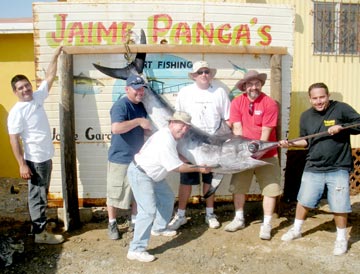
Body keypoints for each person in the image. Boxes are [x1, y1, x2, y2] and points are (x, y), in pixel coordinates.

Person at [279, 82, 360, 255]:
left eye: (322, 97)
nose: (318, 101)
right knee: (304, 200)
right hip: (313, 165)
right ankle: (297, 229)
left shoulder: (341, 109)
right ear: (310, 99)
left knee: (339, 204)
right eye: (314, 98)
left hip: (338, 166)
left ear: (328, 96)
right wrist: (290, 143)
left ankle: (340, 239)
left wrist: (342, 127)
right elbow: (305, 141)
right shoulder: (306, 116)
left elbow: (358, 124)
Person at [126, 111, 211, 262]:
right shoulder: (165, 139)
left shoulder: (169, 136)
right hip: (141, 174)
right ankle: (136, 249)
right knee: (147, 211)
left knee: (167, 197)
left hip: (153, 175)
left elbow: (175, 156)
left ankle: (158, 228)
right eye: (180, 125)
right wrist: (199, 168)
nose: (183, 129)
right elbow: (176, 167)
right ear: (171, 123)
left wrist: (192, 161)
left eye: (186, 127)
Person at [7, 46, 64, 244]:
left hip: (45, 157)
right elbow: (14, 139)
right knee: (37, 195)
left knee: (42, 193)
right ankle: (40, 234)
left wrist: (55, 55)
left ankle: (41, 227)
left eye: (27, 85)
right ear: (15, 92)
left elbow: (49, 77)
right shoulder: (17, 112)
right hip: (35, 160)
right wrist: (22, 164)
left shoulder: (37, 98)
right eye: (20, 88)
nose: (25, 90)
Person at [168, 61, 231, 230]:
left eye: (207, 71)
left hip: (213, 144)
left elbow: (228, 119)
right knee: (186, 180)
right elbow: (177, 118)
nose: (204, 74)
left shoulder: (220, 92)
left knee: (210, 180)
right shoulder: (185, 92)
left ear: (211, 74)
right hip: (190, 144)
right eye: (200, 72)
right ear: (194, 75)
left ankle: (210, 213)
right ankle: (180, 215)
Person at [225, 70, 282, 240]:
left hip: (266, 153)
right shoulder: (236, 102)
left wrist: (258, 152)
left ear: (261, 85)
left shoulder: (269, 103)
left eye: (257, 83)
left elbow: (266, 132)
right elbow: (237, 128)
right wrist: (243, 153)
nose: (253, 87)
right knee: (239, 187)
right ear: (244, 87)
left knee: (270, 189)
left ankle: (267, 224)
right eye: (249, 84)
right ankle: (239, 218)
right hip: (243, 154)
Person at [106, 74, 152, 240]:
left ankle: (134, 221)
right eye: (136, 89)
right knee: (114, 193)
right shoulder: (121, 105)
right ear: (127, 89)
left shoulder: (142, 106)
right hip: (119, 158)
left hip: (137, 158)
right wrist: (139, 121)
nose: (140, 92)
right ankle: (112, 223)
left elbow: (143, 128)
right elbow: (116, 128)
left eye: (142, 88)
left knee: (136, 193)